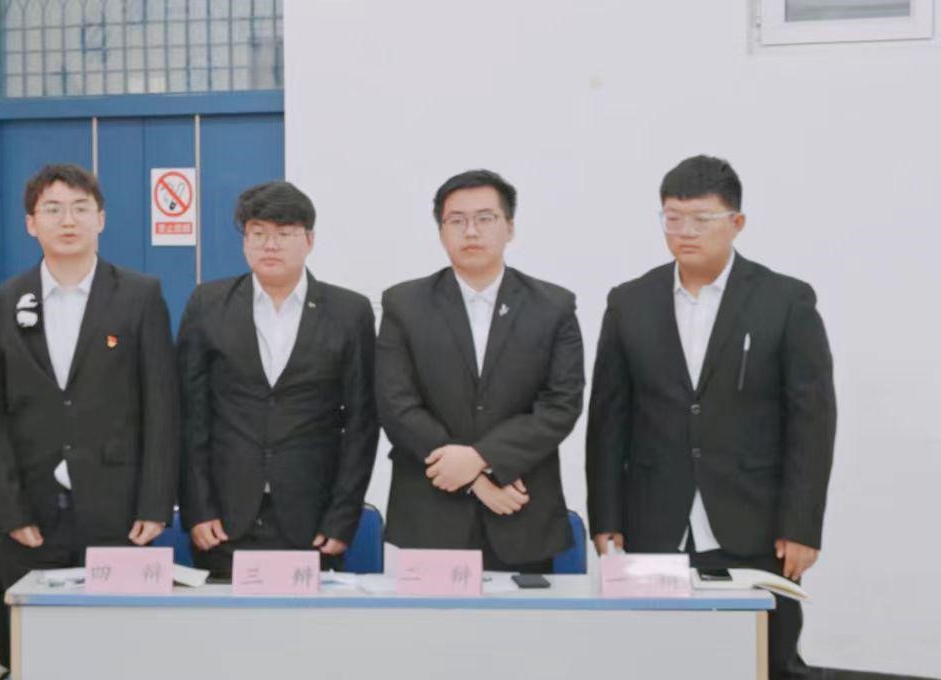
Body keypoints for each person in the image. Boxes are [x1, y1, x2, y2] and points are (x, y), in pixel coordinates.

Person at [586, 155, 836, 679]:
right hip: (653, 526)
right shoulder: (630, 302)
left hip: (756, 526)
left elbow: (811, 421)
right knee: (656, 662)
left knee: (765, 662)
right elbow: (608, 420)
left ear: (736, 222)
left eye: (701, 219)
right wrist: (606, 519)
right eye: (672, 218)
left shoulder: (784, 300)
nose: (685, 232)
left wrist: (801, 524)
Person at [0, 163, 178, 676]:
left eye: (81, 208)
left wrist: (155, 502)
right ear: (31, 223)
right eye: (52, 209)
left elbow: (162, 407)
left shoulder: (140, 295)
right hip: (33, 511)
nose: (68, 220)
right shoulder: (1, 305)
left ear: (101, 219)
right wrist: (5, 515)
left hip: (118, 506)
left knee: (119, 637)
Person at [377, 169, 584, 572]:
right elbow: (396, 404)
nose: (470, 231)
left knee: (522, 616)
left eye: (485, 218)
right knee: (430, 617)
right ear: (441, 231)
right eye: (456, 220)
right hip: (430, 517)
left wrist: (481, 458)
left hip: (520, 512)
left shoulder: (553, 306)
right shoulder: (404, 304)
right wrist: (476, 480)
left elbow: (560, 405)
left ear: (510, 227)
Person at [177, 180, 378, 578]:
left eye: (284, 234)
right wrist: (197, 508)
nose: (270, 245)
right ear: (245, 241)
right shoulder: (207, 304)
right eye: (258, 233)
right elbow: (189, 413)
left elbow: (362, 423)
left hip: (313, 519)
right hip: (223, 521)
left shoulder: (349, 312)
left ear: (309, 240)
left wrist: (342, 517)